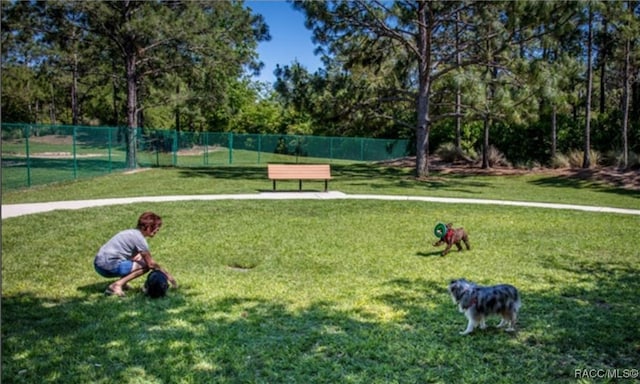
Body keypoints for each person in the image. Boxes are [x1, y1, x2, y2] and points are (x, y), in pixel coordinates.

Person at [94, 211, 177, 297]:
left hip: (99, 264)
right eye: (157, 227)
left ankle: (124, 284)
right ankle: (116, 285)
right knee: (145, 265)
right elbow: (151, 264)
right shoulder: (139, 239)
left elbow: (128, 253)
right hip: (108, 266)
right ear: (148, 227)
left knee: (139, 259)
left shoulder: (130, 233)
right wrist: (169, 277)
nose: (158, 230)